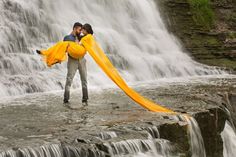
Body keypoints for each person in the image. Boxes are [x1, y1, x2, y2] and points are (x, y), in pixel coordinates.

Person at [63, 22, 88, 106]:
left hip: (82, 60)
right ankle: (66, 100)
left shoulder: (82, 38)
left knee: (84, 80)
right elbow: (64, 49)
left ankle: (85, 99)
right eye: (79, 29)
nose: (81, 31)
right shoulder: (67, 37)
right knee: (69, 79)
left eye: (81, 30)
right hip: (72, 60)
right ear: (74, 28)